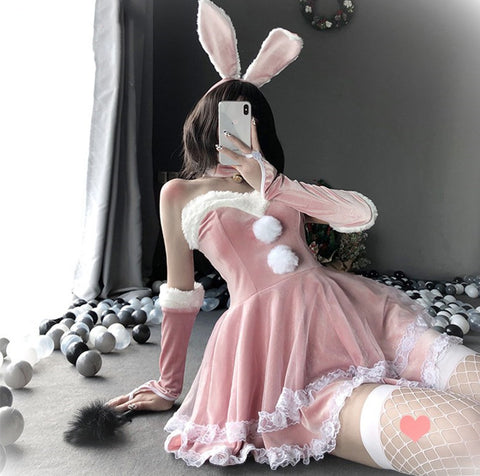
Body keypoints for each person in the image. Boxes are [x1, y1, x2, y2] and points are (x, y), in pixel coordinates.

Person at [108, 1, 480, 474]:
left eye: (247, 118)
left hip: (354, 316)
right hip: (274, 349)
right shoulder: (179, 193)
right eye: (226, 116)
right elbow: (181, 296)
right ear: (205, 119)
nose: (234, 129)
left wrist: (272, 181)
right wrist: (167, 385)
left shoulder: (277, 184)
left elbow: (360, 213)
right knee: (466, 436)